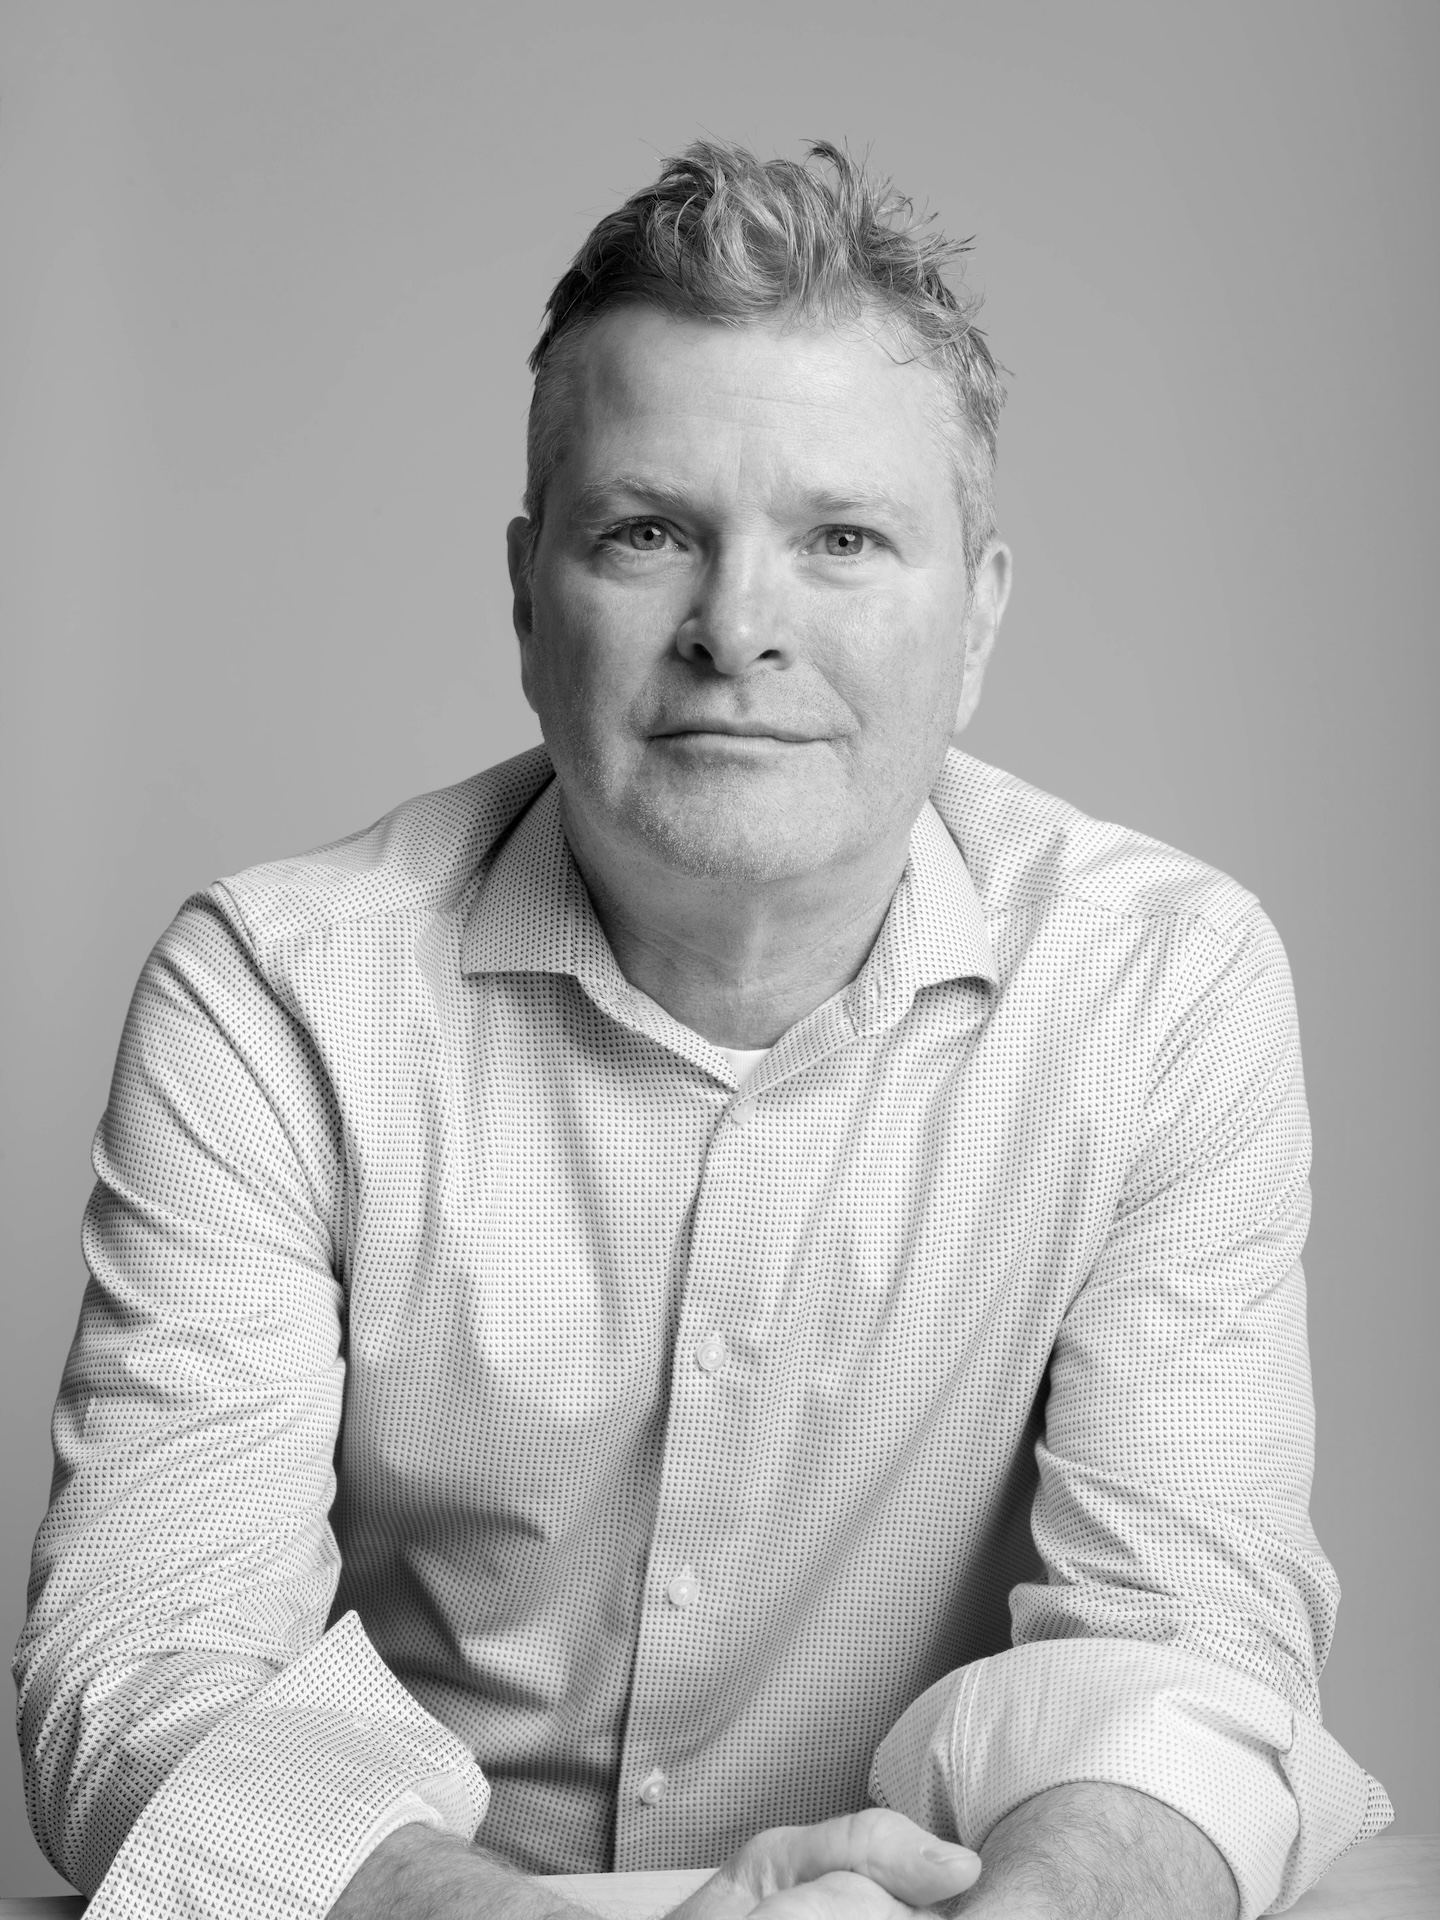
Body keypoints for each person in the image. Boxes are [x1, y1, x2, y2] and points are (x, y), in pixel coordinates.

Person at [15, 140, 1389, 1920]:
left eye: (842, 541)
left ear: (978, 614)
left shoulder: (1165, 987)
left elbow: (1186, 1641)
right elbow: (144, 1663)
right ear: (530, 595)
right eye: (649, 532)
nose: (737, 630)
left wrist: (1044, 1911)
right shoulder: (276, 993)